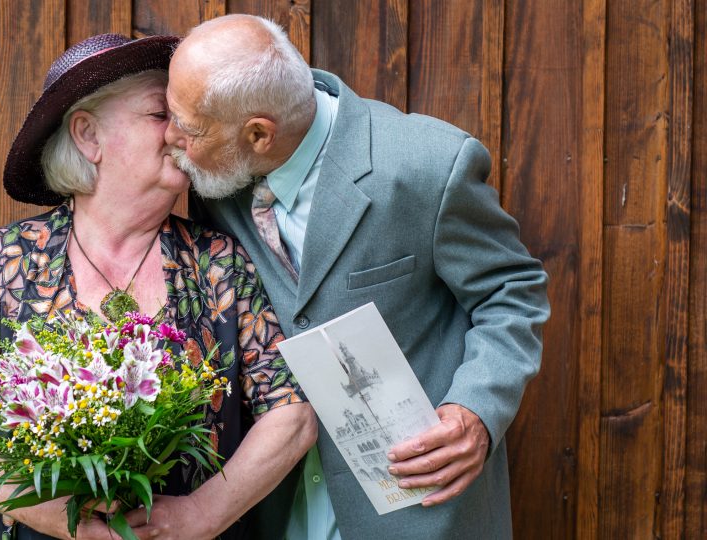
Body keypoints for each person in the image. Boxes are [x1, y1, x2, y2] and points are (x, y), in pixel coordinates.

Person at [0, 33, 316, 540]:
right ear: (88, 135)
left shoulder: (219, 264)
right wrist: (68, 522)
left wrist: (200, 515)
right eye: (158, 114)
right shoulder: (3, 262)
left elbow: (292, 413)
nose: (180, 133)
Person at [164, 14, 551, 540]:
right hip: (274, 507)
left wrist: (476, 411)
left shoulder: (429, 165)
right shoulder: (219, 184)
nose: (171, 138)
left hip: (421, 508)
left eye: (188, 128)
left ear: (258, 134)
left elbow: (512, 293)